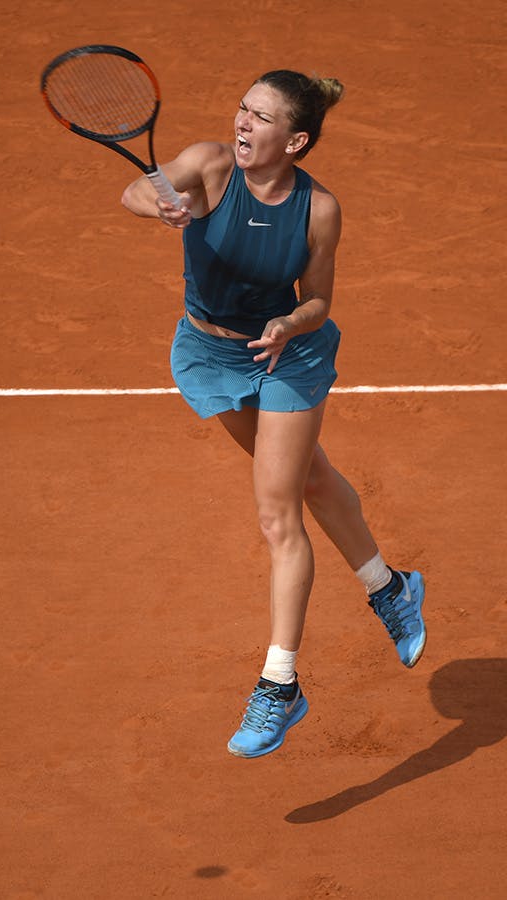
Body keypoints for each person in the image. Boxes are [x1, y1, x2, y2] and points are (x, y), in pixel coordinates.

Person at [120, 69, 427, 759]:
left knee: (275, 513)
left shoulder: (319, 209)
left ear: (296, 140)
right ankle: (391, 587)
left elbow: (319, 299)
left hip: (286, 355)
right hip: (208, 353)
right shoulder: (207, 165)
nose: (243, 124)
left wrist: (292, 319)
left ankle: (279, 683)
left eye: (260, 118)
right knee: (309, 480)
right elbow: (138, 188)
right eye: (241, 109)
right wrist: (157, 207)